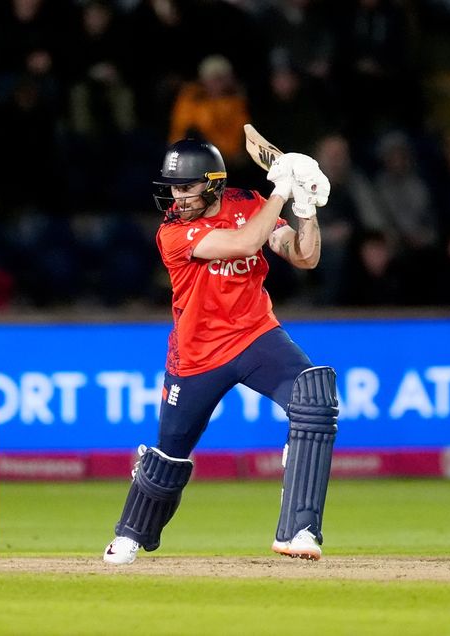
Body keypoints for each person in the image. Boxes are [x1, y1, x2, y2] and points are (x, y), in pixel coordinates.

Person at [102, 139, 339, 565]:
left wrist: (305, 208)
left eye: (186, 188)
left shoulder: (249, 202)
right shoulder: (172, 232)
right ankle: (130, 533)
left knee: (314, 399)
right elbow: (247, 242)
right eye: (173, 189)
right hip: (197, 354)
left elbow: (303, 257)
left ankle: (300, 530)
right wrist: (283, 189)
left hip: (255, 335)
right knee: (168, 456)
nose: (177, 198)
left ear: (212, 185)